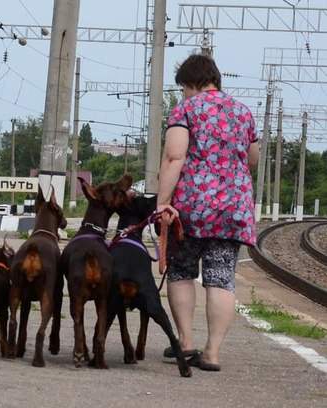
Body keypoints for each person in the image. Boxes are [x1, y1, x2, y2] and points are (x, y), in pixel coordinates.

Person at [157, 54, 259, 371]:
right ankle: (212, 353)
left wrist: (162, 202)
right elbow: (252, 159)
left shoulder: (186, 109)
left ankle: (185, 343)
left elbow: (175, 157)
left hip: (192, 208)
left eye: (184, 88)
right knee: (221, 280)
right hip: (233, 208)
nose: (184, 95)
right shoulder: (243, 112)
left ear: (191, 83)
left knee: (181, 272)